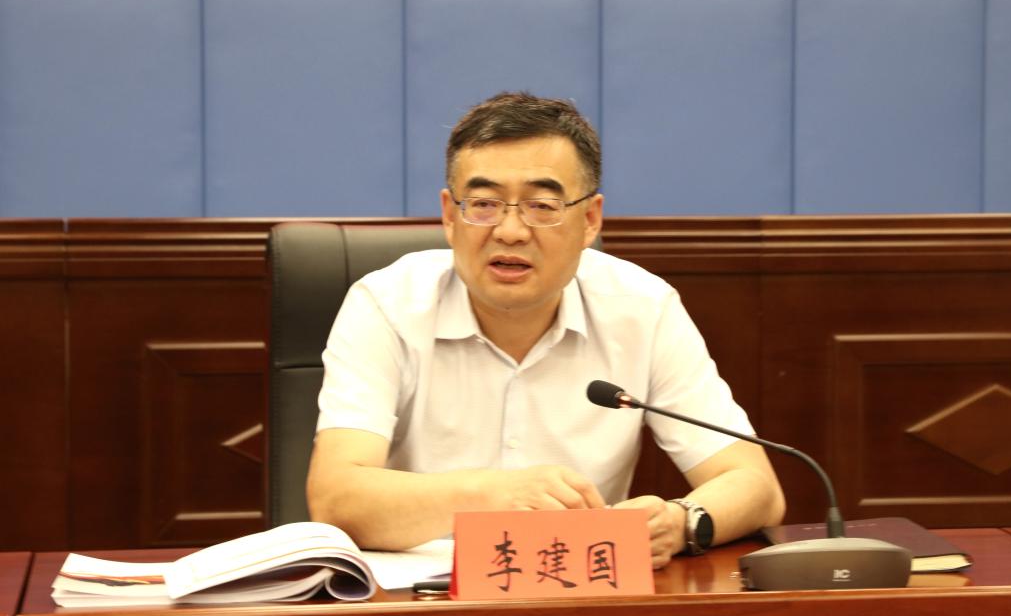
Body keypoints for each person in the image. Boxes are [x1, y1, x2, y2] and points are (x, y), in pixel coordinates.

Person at [307, 91, 785, 568]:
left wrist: (681, 523)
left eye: (541, 205)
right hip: (423, 596)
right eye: (484, 203)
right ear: (450, 216)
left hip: (577, 589)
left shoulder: (643, 309)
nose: (510, 231)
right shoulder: (387, 306)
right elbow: (335, 496)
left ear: (589, 220)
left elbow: (756, 485)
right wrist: (493, 494)